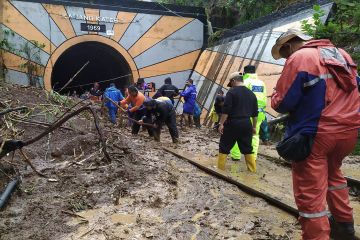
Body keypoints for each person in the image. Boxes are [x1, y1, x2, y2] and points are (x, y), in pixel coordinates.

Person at [271, 29, 360, 240]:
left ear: (288, 45)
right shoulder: (341, 54)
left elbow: (283, 102)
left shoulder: (300, 57)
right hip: (347, 132)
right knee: (334, 176)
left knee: (310, 192)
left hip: (316, 134)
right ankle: (344, 226)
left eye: (284, 54)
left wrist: (274, 97)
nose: (286, 58)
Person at [217, 72, 258, 172]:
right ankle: (252, 171)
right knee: (248, 148)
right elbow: (255, 114)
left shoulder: (231, 92)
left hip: (232, 123)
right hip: (246, 124)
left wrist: (221, 124)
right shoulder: (251, 94)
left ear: (234, 80)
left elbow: (226, 111)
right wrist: (254, 127)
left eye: (231, 83)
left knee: (224, 147)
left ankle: (219, 170)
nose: (231, 86)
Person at [230, 65, 267, 169]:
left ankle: (236, 156)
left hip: (245, 113)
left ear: (244, 73)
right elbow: (265, 99)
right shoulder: (262, 83)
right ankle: (253, 157)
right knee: (255, 135)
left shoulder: (245, 83)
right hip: (260, 113)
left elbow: (240, 98)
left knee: (238, 133)